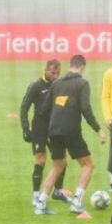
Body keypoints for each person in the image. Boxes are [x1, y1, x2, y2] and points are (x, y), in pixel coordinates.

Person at [35, 54, 106, 216]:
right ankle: (77, 202)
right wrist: (98, 130)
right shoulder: (82, 83)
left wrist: (46, 133)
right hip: (71, 131)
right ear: (82, 67)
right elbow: (85, 109)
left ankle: (40, 203)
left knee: (57, 165)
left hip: (53, 131)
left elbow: (44, 110)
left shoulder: (56, 83)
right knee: (88, 164)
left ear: (70, 65)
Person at [20, 59, 69, 206]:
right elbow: (24, 107)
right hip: (39, 129)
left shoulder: (60, 86)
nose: (55, 75)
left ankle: (57, 191)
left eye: (58, 73)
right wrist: (25, 128)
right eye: (53, 72)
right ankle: (35, 195)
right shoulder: (36, 86)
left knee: (62, 161)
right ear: (46, 70)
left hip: (55, 128)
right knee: (41, 160)